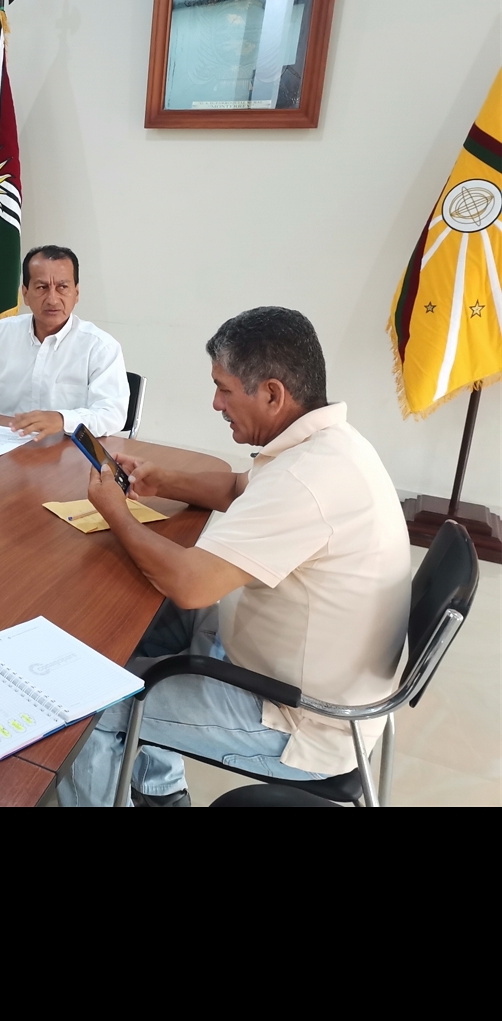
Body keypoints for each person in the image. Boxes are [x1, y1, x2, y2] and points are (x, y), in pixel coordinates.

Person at [61, 307, 411, 806]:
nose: (215, 403)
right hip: (291, 672)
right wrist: (162, 481)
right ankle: (159, 790)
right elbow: (238, 488)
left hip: (295, 721)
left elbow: (190, 583)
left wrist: (115, 512)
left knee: (84, 706)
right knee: (153, 622)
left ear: (272, 393)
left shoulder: (305, 481)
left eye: (224, 389)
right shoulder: (329, 445)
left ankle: (127, 761)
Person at [0, 245, 129, 440]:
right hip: (5, 445)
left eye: (62, 287)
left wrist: (62, 419)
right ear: (25, 294)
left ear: (77, 293)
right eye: (42, 287)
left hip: (67, 450)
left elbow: (112, 413)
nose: (52, 299)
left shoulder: (100, 347)